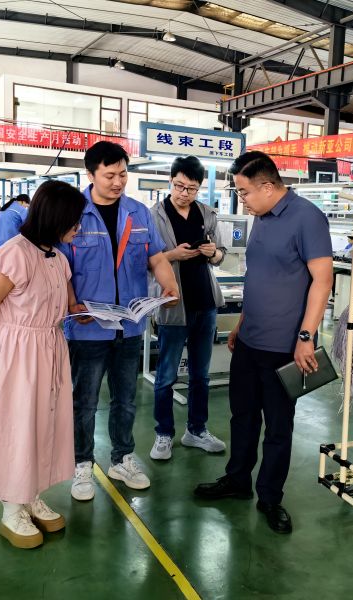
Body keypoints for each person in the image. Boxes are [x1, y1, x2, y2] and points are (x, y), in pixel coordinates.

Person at [194, 151, 333, 534]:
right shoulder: (261, 217)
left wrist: (305, 338)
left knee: (277, 426)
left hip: (284, 347)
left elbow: (323, 281)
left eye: (244, 192)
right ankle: (237, 479)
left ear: (268, 186)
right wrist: (241, 324)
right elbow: (259, 276)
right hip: (250, 340)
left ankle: (270, 496)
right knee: (242, 415)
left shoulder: (307, 218)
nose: (241, 200)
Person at [0, 180, 86, 549]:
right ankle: (11, 508)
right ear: (56, 217)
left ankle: (29, 494)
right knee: (15, 424)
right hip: (16, 353)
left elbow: (63, 303)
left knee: (41, 422)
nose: (78, 227)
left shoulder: (58, 258)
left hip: (48, 347)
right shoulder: (15, 252)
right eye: (74, 220)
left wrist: (80, 311)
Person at [59, 141, 179, 501]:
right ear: (90, 174)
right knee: (84, 401)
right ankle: (82, 464)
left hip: (129, 325)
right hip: (88, 327)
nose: (118, 182)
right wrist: (71, 303)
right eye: (109, 175)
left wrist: (168, 282)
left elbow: (156, 256)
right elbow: (61, 267)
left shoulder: (137, 213)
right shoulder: (73, 213)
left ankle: (122, 458)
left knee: (126, 399)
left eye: (123, 174)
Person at [149, 156, 227, 461]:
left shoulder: (207, 213)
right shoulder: (154, 215)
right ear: (170, 181)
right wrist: (173, 255)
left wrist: (212, 252)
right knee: (166, 375)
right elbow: (145, 259)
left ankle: (196, 430)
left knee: (201, 374)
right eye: (179, 186)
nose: (184, 193)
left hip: (205, 303)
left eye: (191, 188)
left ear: (199, 188)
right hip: (172, 304)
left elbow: (220, 255)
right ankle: (163, 434)